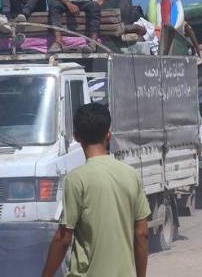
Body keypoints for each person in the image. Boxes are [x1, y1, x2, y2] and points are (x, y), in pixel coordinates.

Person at [41, 103, 150, 277]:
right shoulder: (131, 175)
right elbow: (142, 233)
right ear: (109, 134)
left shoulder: (75, 180)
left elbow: (63, 239)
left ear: (76, 137)